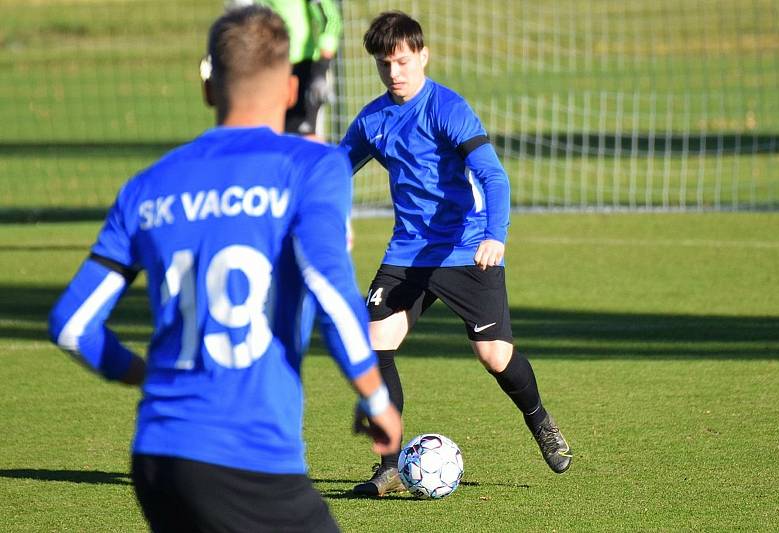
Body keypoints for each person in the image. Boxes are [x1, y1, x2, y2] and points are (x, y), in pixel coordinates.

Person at [48, 6, 401, 532]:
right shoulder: (312, 167)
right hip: (249, 456)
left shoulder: (146, 186)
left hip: (157, 459)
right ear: (289, 91)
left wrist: (144, 374)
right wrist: (375, 395)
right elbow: (329, 287)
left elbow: (72, 325)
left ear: (208, 88)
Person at [339, 11, 573, 497]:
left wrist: (496, 234)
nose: (394, 73)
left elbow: (493, 175)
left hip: (468, 247)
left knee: (494, 356)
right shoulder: (373, 119)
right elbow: (333, 172)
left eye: (402, 61)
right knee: (373, 345)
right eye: (385, 65)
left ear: (422, 56)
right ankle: (388, 465)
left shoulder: (447, 108)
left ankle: (540, 420)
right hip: (409, 252)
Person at [228, 0, 342, 139]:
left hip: (302, 68)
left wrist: (321, 70)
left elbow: (330, 20)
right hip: (265, 68)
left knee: (304, 139)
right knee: (264, 137)